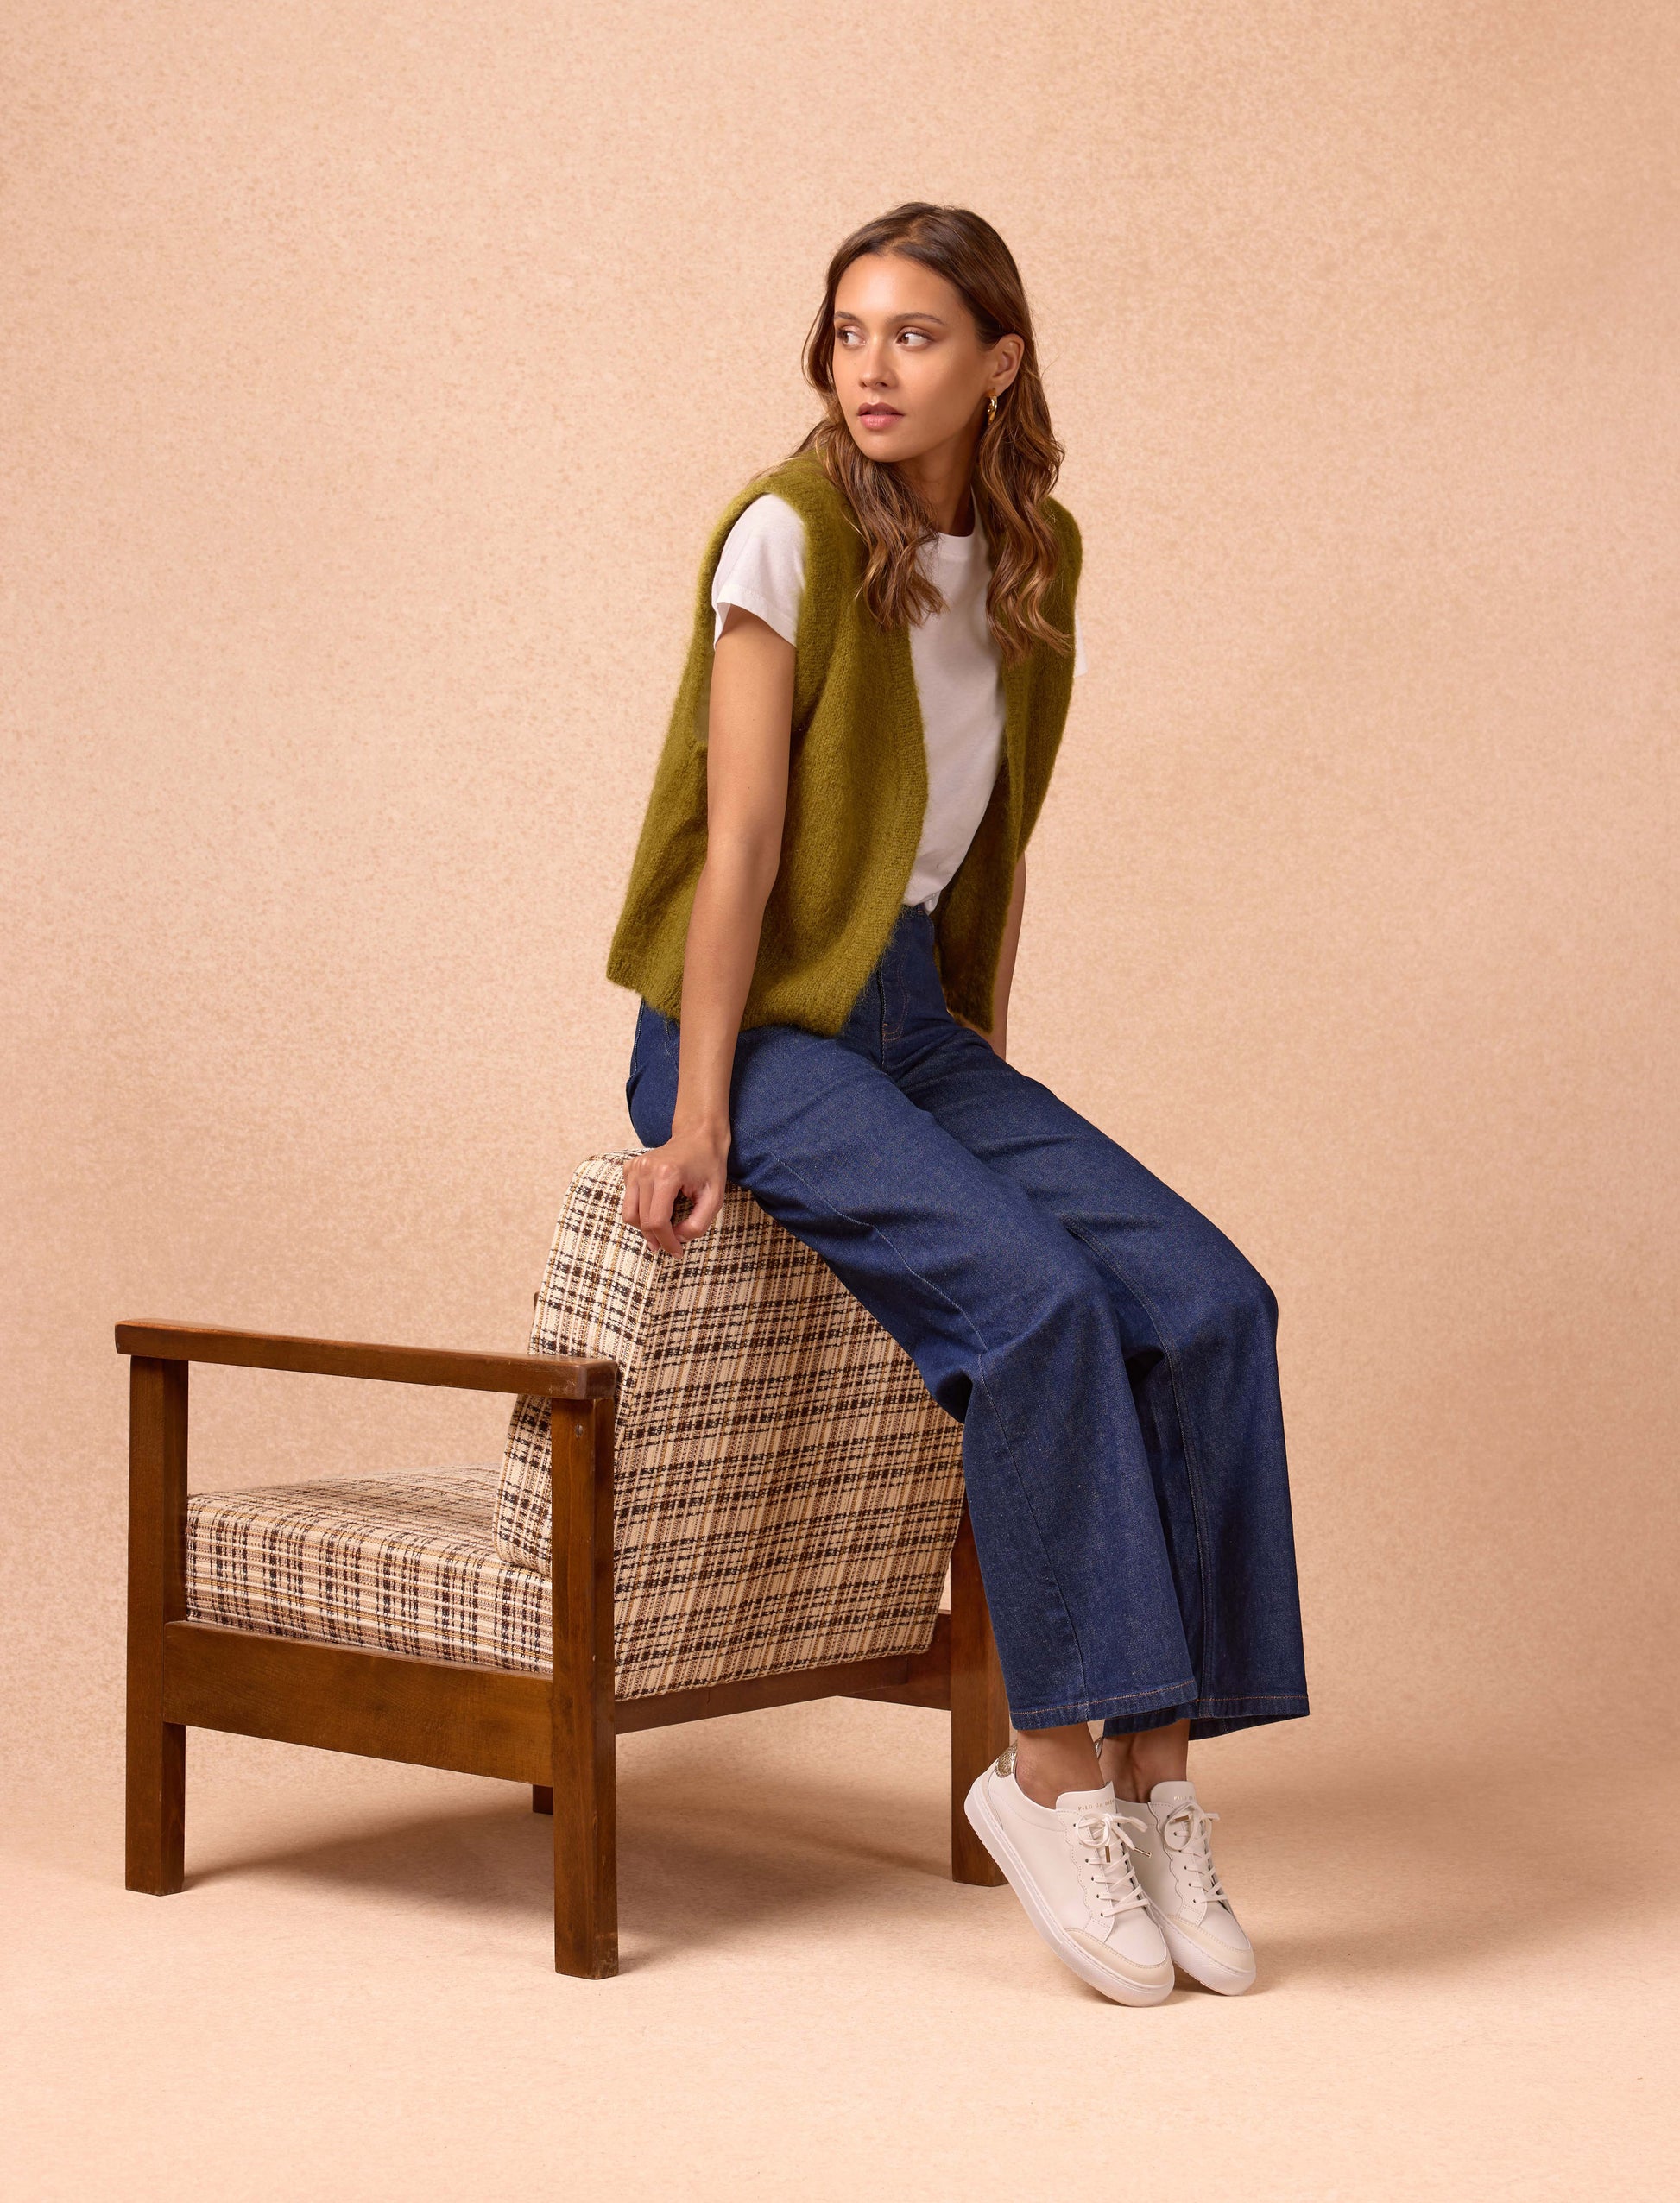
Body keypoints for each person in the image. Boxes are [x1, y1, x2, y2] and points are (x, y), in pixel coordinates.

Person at [605, 201, 1308, 2005]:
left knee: (1208, 1302)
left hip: (913, 1026)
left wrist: (975, 1063)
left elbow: (993, 843)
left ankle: (1156, 1776)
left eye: (914, 335)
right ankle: (1048, 1771)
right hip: (761, 1026)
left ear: (998, 363)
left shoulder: (1027, 555)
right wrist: (698, 1115)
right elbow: (739, 847)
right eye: (849, 331)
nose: (871, 367)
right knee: (1042, 1306)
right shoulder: (783, 534)